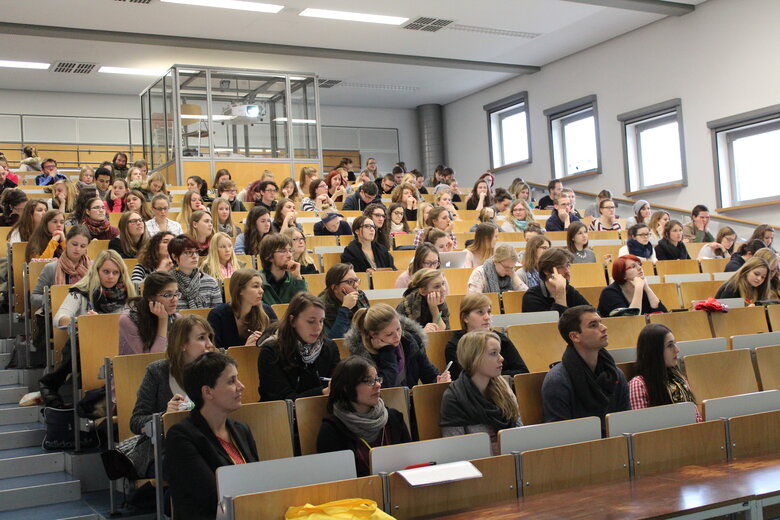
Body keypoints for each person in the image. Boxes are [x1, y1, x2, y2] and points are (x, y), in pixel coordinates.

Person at [165, 350, 258, 520]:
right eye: (231, 381)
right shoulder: (181, 437)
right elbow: (211, 497)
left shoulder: (241, 429)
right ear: (207, 392)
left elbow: (258, 481)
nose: (241, 386)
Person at [39, 250, 135, 407]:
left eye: (115, 272)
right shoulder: (80, 292)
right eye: (106, 271)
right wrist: (82, 321)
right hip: (88, 347)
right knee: (80, 343)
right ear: (96, 271)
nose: (111, 276)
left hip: (119, 346)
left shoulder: (128, 295)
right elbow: (59, 319)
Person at [317, 356, 411, 477]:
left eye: (377, 379)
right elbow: (335, 481)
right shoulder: (332, 430)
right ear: (347, 388)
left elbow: (410, 467)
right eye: (369, 381)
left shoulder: (394, 418)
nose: (378, 385)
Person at [541, 305, 629, 433]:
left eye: (600, 322)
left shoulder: (616, 374)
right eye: (593, 325)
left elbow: (626, 423)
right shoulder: (557, 381)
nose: (604, 328)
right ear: (575, 336)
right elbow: (559, 436)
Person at [440, 330, 522, 454]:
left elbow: (520, 432)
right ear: (474, 358)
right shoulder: (454, 397)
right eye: (493, 353)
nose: (501, 358)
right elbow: (455, 450)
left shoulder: (503, 387)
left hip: (510, 457)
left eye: (499, 352)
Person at [345, 304, 450, 389]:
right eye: (389, 334)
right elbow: (384, 388)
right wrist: (387, 351)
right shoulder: (363, 356)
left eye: (398, 329)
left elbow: (428, 373)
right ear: (373, 335)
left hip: (409, 403)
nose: (397, 336)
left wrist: (438, 381)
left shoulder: (410, 342)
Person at [257, 293, 339, 401]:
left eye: (321, 321)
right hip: (281, 411)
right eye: (311, 321)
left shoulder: (329, 347)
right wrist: (322, 392)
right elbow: (282, 399)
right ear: (292, 321)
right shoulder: (271, 352)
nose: (318, 327)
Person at [445, 294, 528, 380]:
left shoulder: (500, 339)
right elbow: (463, 379)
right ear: (465, 317)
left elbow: (522, 372)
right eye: (480, 312)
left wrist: (493, 377)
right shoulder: (455, 346)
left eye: (489, 312)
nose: (487, 317)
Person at [630, 323, 701, 422]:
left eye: (675, 343)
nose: (677, 350)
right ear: (655, 352)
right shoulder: (639, 384)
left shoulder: (679, 379)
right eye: (670, 345)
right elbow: (641, 425)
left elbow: (697, 420)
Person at [207, 269, 276, 350]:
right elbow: (213, 352)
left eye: (261, 286)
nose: (261, 291)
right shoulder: (217, 315)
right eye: (255, 286)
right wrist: (244, 350)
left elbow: (280, 342)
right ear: (240, 290)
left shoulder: (267, 311)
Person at [118, 271, 180, 355]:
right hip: (135, 363)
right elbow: (152, 359)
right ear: (151, 297)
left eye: (176, 294)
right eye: (168, 295)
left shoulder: (176, 318)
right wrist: (163, 320)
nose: (175, 299)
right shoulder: (128, 319)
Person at [31, 226, 92, 308]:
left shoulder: (93, 267)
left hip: (87, 311)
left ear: (87, 247)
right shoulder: (51, 268)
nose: (77, 249)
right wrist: (51, 299)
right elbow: (34, 297)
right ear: (66, 242)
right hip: (58, 311)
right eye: (74, 244)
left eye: (82, 246)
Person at [523, 248, 588, 315]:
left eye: (568, 265)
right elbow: (556, 320)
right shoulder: (531, 297)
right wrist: (560, 292)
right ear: (546, 271)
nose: (567, 271)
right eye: (560, 267)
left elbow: (590, 313)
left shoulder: (570, 290)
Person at [598, 255, 667, 317]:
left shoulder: (643, 290)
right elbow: (631, 322)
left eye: (639, 264)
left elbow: (663, 315)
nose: (640, 268)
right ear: (623, 274)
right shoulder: (609, 293)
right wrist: (638, 288)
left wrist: (647, 288)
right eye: (633, 266)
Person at [168, 234, 222, 310]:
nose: (195, 256)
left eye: (196, 252)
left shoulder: (210, 282)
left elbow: (217, 314)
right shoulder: (166, 283)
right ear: (174, 257)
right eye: (189, 252)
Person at [319, 263, 370, 339]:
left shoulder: (360, 296)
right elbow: (335, 339)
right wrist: (345, 309)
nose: (356, 285)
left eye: (356, 280)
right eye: (350, 282)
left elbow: (370, 325)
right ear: (335, 288)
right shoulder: (322, 306)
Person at [257, 233, 308, 305]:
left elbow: (305, 305)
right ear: (269, 256)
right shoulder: (257, 281)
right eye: (283, 251)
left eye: (290, 250)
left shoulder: (295, 280)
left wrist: (298, 278)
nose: (289, 255)